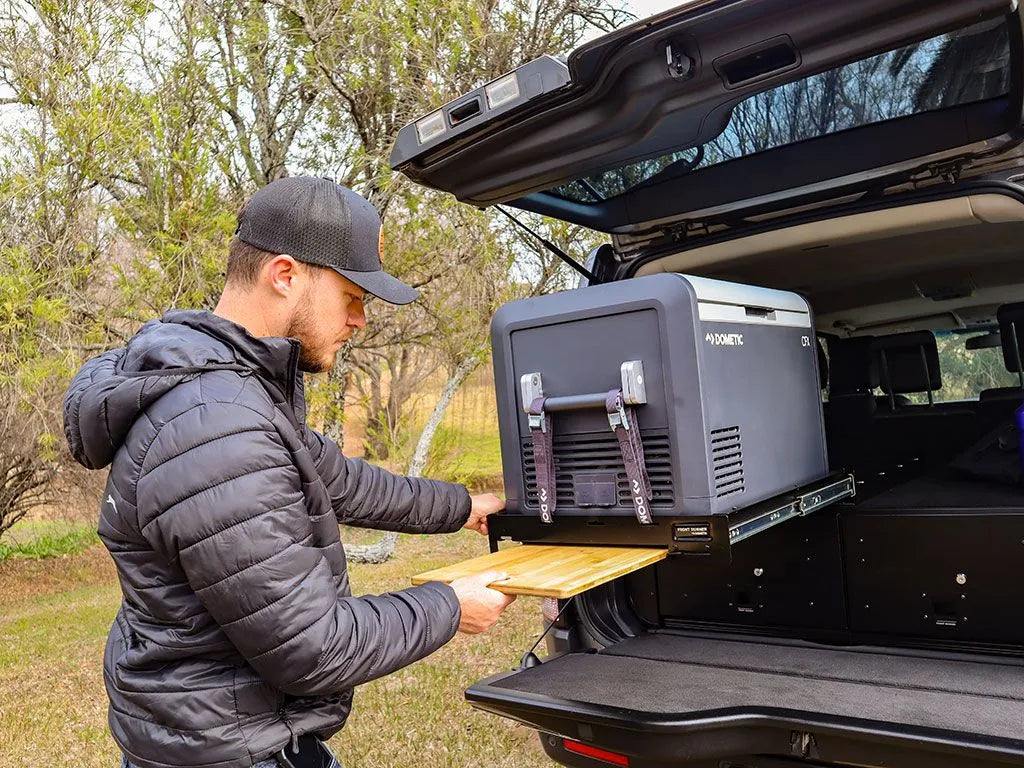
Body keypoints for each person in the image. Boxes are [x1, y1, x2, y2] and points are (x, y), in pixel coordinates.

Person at [62, 176, 515, 768]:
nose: (361, 320)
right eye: (353, 296)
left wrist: (462, 508)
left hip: (230, 731)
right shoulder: (216, 425)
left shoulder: (235, 389)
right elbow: (311, 646)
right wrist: (450, 606)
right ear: (285, 275)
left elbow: (338, 480)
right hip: (230, 748)